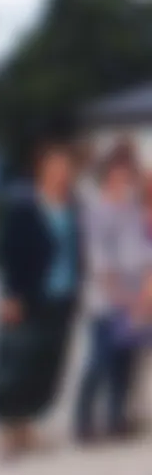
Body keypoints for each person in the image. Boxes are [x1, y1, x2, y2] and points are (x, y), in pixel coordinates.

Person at [0, 137, 83, 459]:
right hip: (28, 298)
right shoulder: (23, 205)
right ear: (41, 167)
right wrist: (11, 295)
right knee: (19, 363)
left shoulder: (72, 205)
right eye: (55, 165)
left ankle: (29, 426)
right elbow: (6, 251)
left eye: (66, 166)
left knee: (48, 364)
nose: (61, 171)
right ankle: (11, 430)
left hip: (63, 297)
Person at [74, 143, 146, 443]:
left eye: (126, 174)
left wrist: (142, 292)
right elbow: (98, 258)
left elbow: (140, 250)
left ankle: (117, 418)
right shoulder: (96, 208)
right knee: (100, 360)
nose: (122, 179)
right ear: (107, 175)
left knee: (125, 363)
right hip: (105, 299)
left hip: (134, 298)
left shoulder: (130, 207)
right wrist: (120, 293)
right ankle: (84, 421)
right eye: (117, 174)